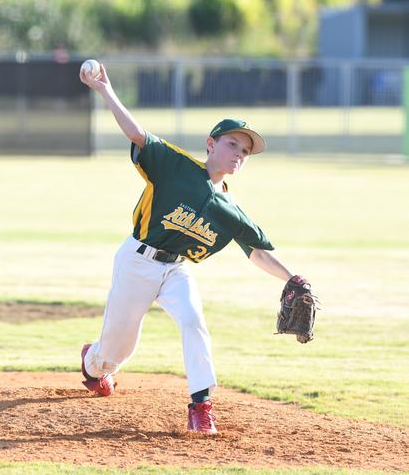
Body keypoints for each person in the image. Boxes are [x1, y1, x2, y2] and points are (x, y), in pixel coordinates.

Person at [78, 63, 305, 434]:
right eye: (233, 144)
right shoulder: (176, 166)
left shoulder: (229, 209)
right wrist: (105, 90)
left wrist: (292, 277)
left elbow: (258, 251)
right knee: (116, 353)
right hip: (137, 262)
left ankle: (201, 406)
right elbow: (137, 135)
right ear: (211, 144)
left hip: (175, 270)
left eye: (245, 151)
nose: (239, 153)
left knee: (194, 321)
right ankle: (93, 362)